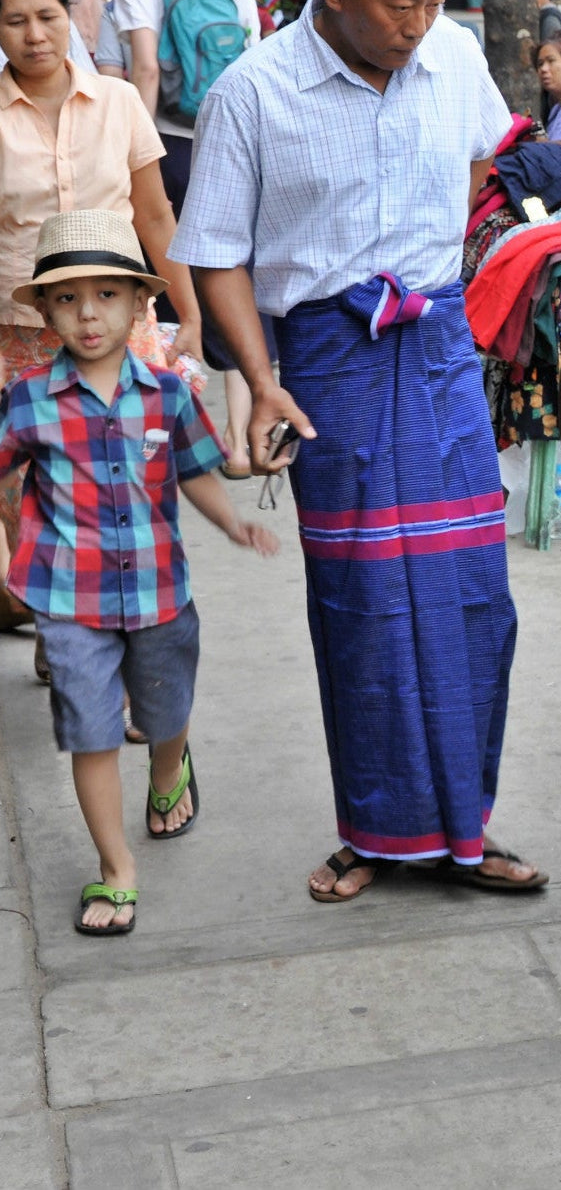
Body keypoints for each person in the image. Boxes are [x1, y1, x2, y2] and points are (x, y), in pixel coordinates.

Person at [171, 0, 548, 902]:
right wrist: (260, 383)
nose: (419, 25)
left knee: (475, 600)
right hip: (328, 366)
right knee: (364, 604)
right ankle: (377, 833)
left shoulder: (453, 60)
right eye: (398, 5)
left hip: (435, 352)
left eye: (432, 3)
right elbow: (216, 257)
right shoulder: (252, 95)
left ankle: (466, 829)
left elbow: (478, 156)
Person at [0, 208, 278, 936]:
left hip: (159, 593)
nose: (88, 315)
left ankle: (167, 772)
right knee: (89, 731)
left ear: (139, 303)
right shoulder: (27, 402)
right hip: (69, 598)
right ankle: (116, 867)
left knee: (162, 712)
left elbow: (196, 472)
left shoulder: (168, 392)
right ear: (47, 312)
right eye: (66, 298)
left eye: (107, 296)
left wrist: (233, 521)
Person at [0, 0, 203, 651]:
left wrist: (191, 313)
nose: (34, 35)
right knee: (33, 499)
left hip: (124, 330)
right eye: (14, 21)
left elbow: (154, 217)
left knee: (131, 496)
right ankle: (67, 642)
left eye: (47, 16)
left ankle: (133, 647)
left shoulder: (118, 102)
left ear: (73, 14)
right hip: (20, 334)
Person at [103, 0, 260, 229]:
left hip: (171, 140)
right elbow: (254, 49)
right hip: (232, 135)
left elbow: (146, 67)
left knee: (175, 259)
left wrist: (137, 154)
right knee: (231, 255)